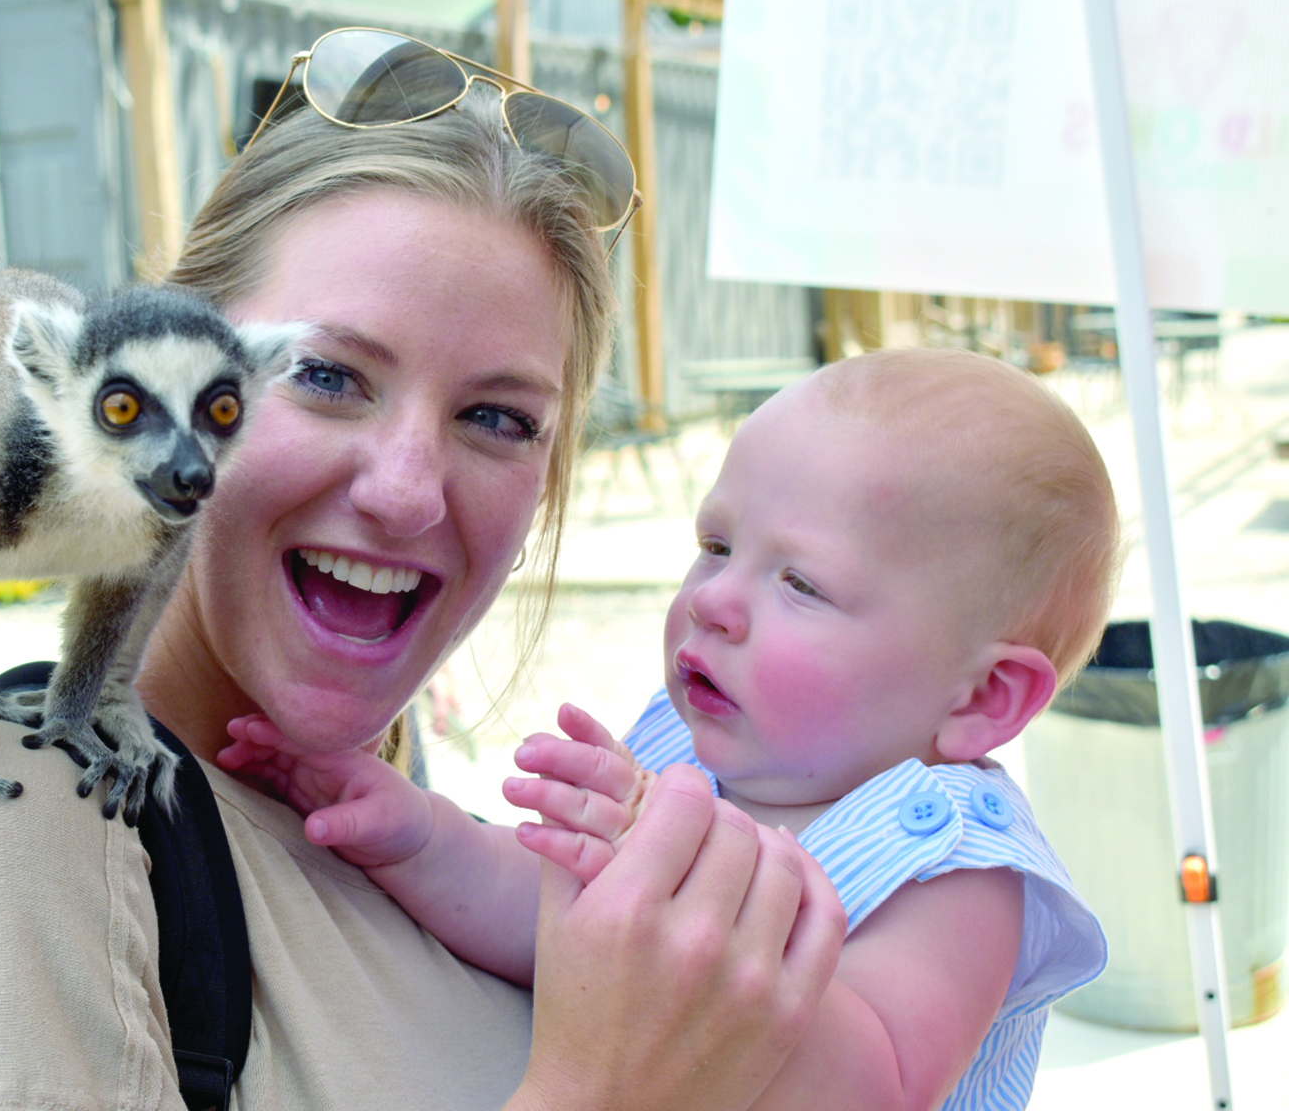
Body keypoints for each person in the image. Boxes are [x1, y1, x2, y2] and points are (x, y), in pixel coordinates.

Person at [0, 27, 848, 1111]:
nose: (407, 490)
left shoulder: (428, 851)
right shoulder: (14, 839)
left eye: (498, 418)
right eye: (328, 376)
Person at [223, 347, 1117, 1111]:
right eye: (718, 547)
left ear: (982, 698)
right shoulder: (686, 747)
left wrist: (692, 955)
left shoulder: (957, 865)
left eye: (801, 584)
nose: (714, 601)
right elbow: (549, 917)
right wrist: (418, 835)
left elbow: (879, 1080)